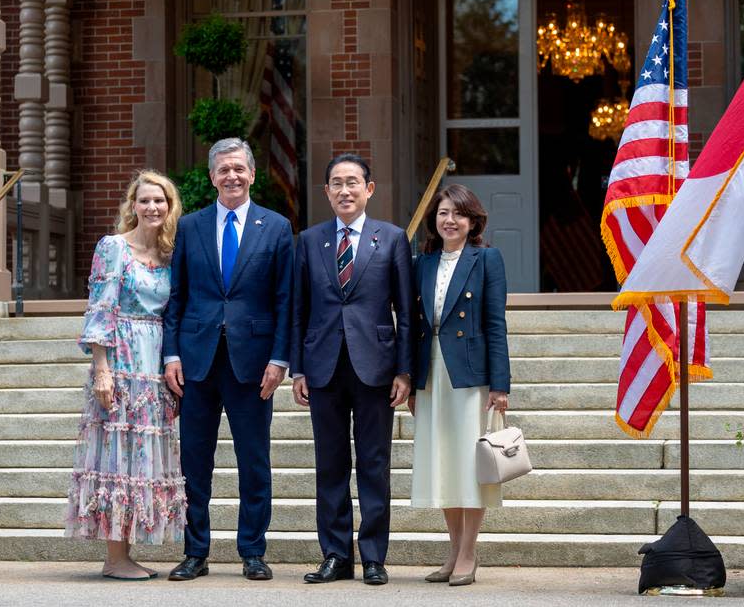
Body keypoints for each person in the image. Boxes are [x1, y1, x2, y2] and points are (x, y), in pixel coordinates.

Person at [162, 137, 294, 582]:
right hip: (196, 364)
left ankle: (252, 551)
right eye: (223, 170)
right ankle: (195, 551)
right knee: (194, 464)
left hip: (253, 365)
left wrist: (280, 359)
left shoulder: (275, 227)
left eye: (239, 169)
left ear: (252, 174)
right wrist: (171, 353)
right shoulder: (191, 226)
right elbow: (176, 297)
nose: (232, 176)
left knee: (254, 461)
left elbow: (284, 300)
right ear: (212, 176)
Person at [291, 153, 413, 586]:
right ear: (326, 192)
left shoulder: (393, 238)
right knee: (330, 463)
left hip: (376, 368)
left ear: (369, 189)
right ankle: (336, 555)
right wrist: (298, 369)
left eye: (353, 182)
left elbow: (406, 309)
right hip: (323, 367)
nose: (345, 190)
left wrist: (405, 370)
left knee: (374, 463)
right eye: (337, 184)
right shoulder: (309, 240)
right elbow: (298, 308)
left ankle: (375, 556)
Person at [66, 169, 186, 580]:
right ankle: (114, 558)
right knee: (118, 458)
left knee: (142, 461)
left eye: (161, 201)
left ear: (170, 208)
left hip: (154, 365)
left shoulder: (170, 255)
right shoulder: (114, 248)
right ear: (132, 206)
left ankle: (124, 553)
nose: (153, 207)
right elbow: (101, 308)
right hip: (121, 363)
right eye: (145, 200)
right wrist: (102, 369)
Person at [408, 184, 510, 587]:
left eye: (458, 214)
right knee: (442, 463)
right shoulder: (423, 262)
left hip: (471, 372)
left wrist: (500, 385)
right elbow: (416, 325)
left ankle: (469, 551)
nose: (449, 220)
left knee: (470, 465)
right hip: (431, 370)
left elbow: (495, 324)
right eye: (443, 213)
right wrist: (414, 381)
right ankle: (452, 551)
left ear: (473, 221)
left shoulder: (487, 259)